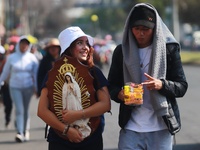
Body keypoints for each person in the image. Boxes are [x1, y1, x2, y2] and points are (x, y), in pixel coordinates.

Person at [108, 3, 188, 150]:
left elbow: (182, 86)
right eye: (137, 29)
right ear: (129, 29)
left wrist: (162, 85)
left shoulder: (168, 50)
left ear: (155, 28)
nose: (141, 34)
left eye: (146, 29)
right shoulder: (121, 52)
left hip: (161, 127)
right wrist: (119, 94)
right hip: (131, 127)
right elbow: (111, 86)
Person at [37, 26, 111, 150]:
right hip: (60, 141)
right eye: (79, 43)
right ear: (68, 48)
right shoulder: (53, 74)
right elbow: (42, 111)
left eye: (87, 43)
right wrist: (66, 130)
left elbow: (105, 104)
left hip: (91, 139)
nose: (85, 47)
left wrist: (78, 114)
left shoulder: (94, 72)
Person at [0, 36, 39, 142]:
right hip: (15, 86)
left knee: (25, 109)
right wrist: (1, 81)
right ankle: (20, 132)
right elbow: (5, 72)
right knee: (19, 109)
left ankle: (26, 130)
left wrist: (36, 87)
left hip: (28, 87)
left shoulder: (32, 58)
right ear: (19, 44)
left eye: (26, 44)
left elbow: (35, 74)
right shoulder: (12, 57)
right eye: (22, 43)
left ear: (28, 45)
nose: (24, 46)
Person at [0, 45, 13, 129]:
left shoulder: (7, 60)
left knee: (8, 104)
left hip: (5, 85)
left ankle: (8, 119)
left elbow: (7, 73)